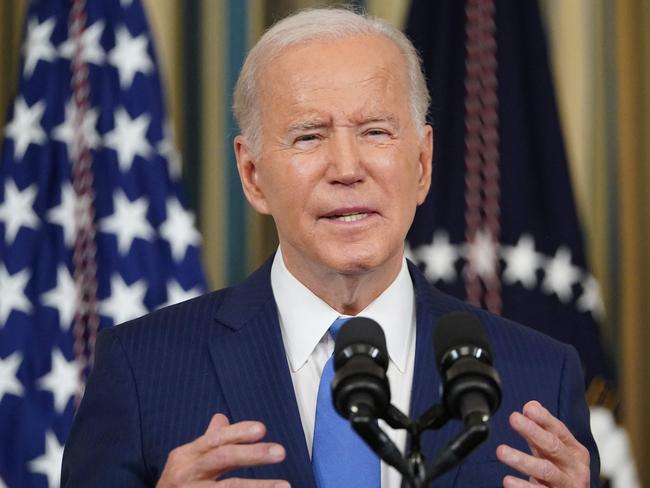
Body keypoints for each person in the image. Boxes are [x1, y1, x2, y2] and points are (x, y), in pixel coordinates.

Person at [61, 7, 599, 488]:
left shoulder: (539, 376)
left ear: (423, 164)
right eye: (309, 136)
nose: (347, 169)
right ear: (252, 174)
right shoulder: (140, 370)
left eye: (376, 132)